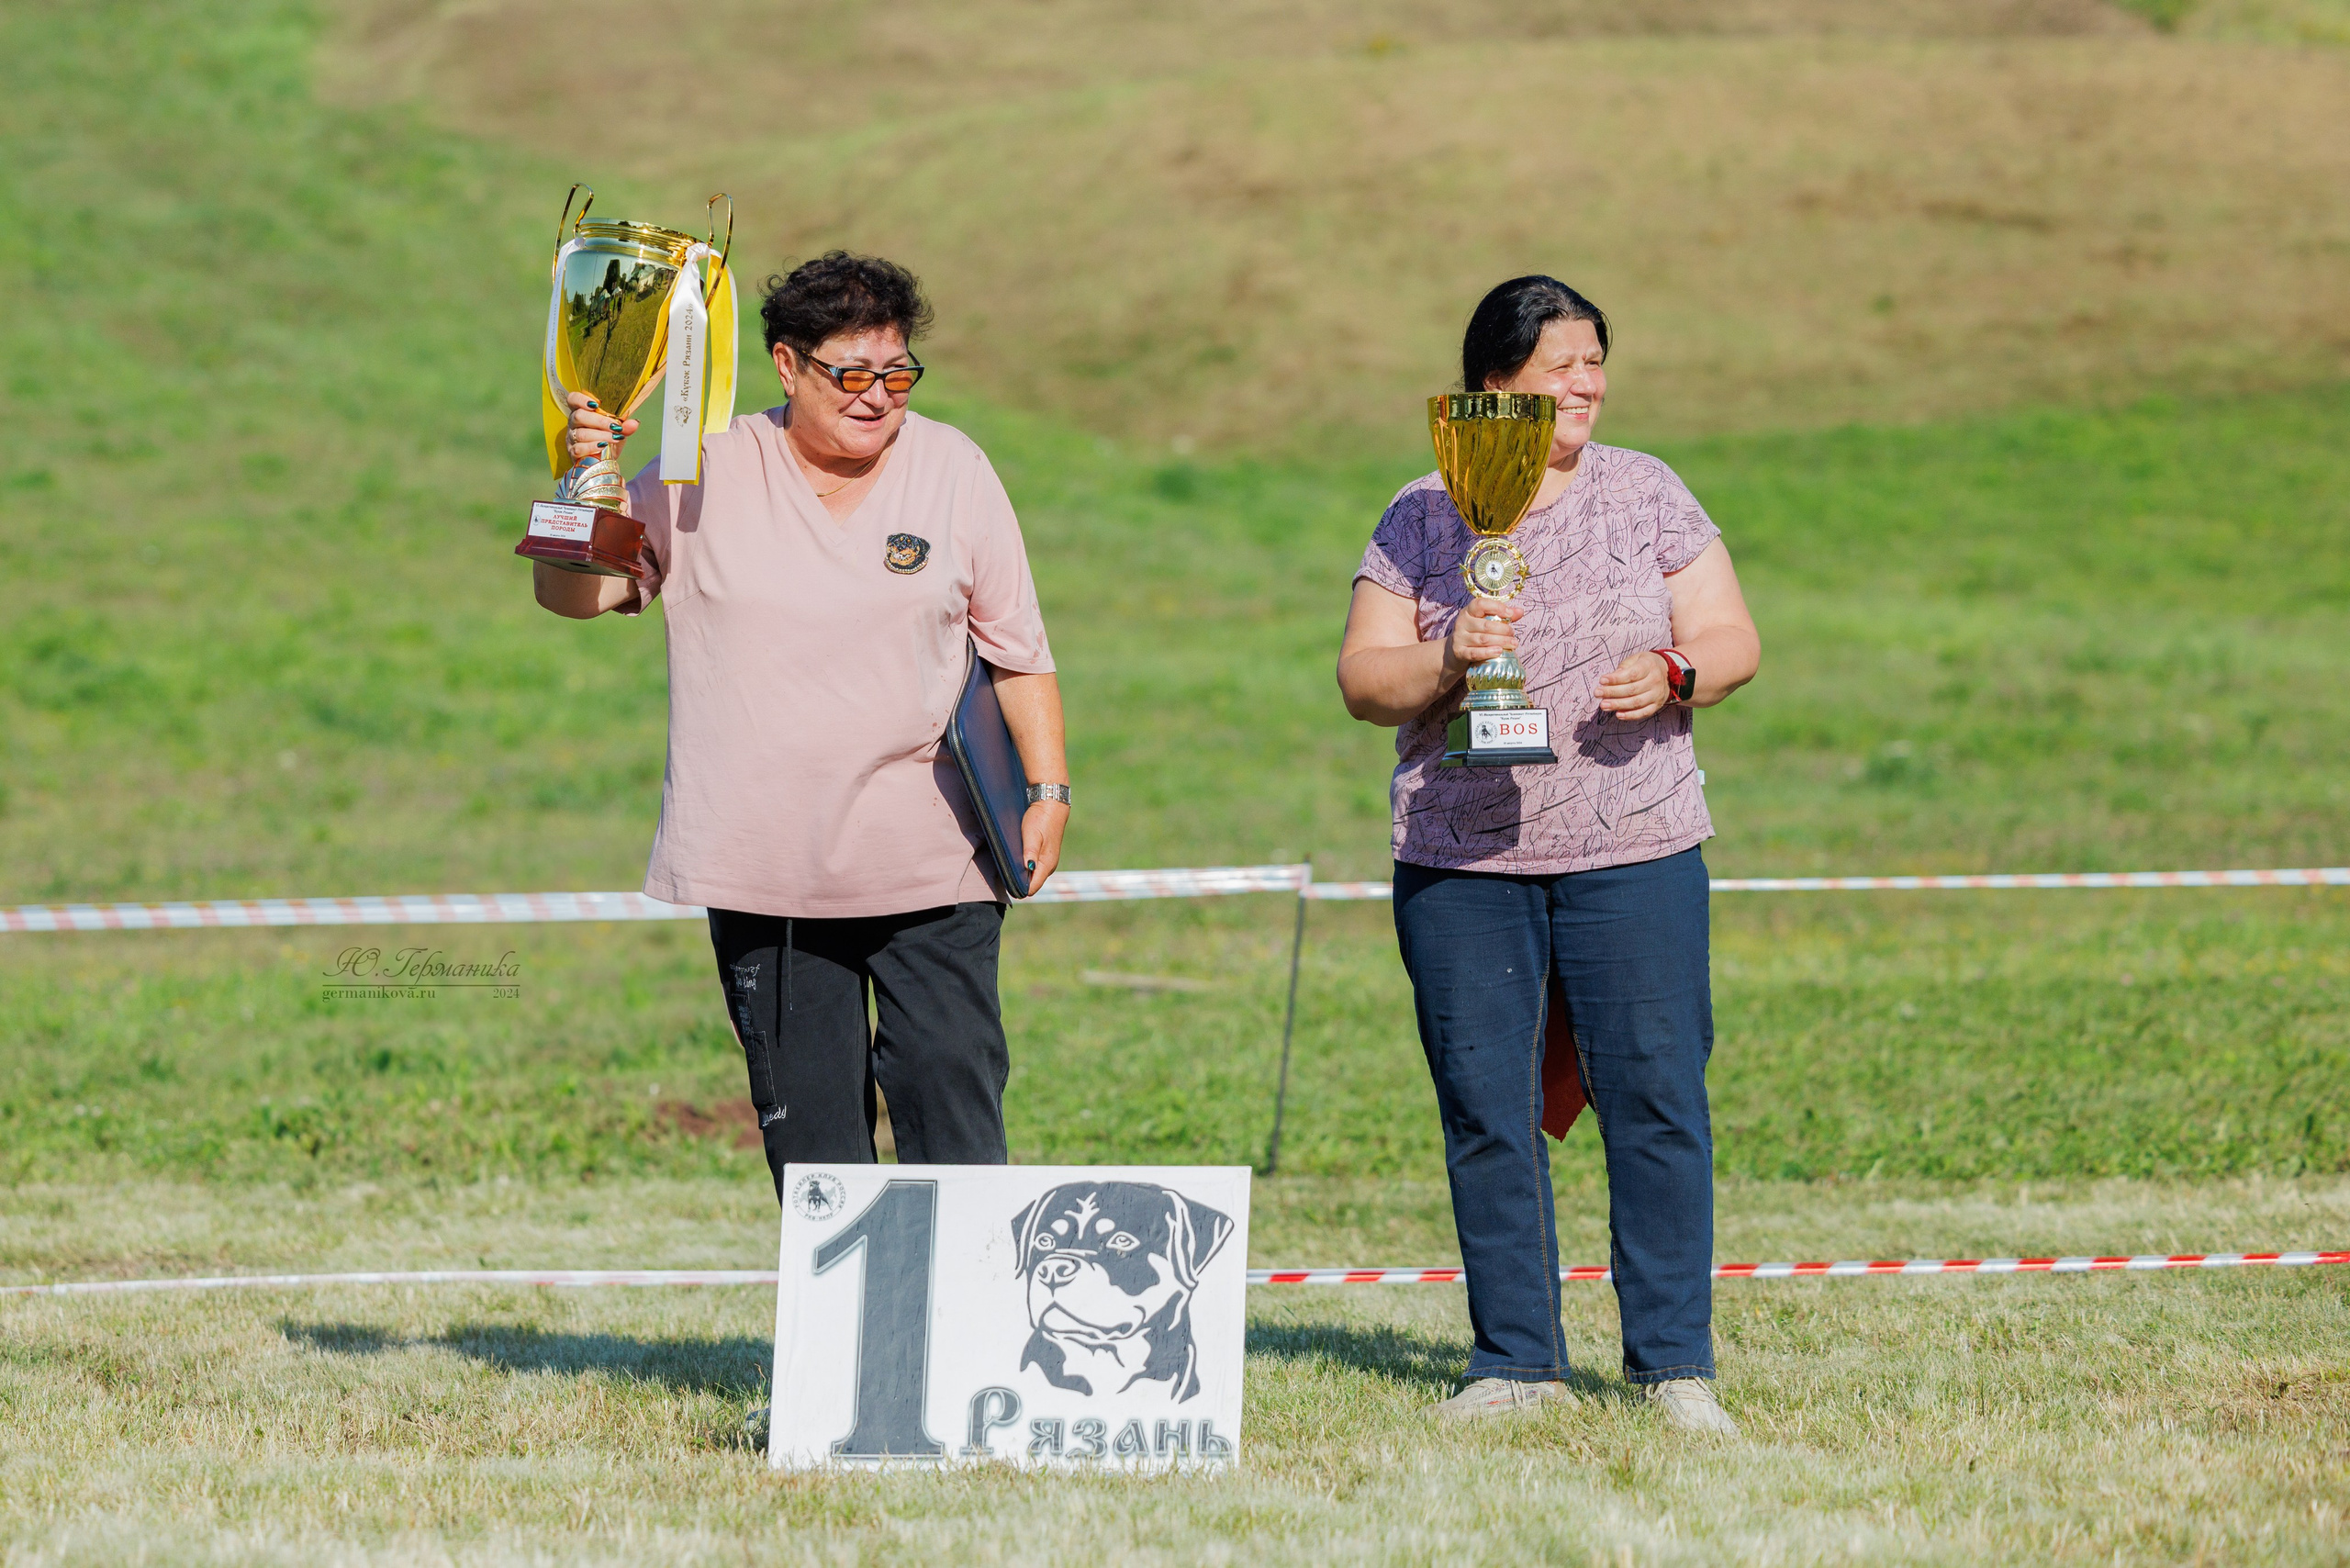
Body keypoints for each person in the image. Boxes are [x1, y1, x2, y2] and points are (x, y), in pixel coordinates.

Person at [532, 251, 1069, 1193]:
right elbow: (577, 601)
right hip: (761, 870)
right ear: (786, 364)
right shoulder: (701, 470)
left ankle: (969, 1330)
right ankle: (856, 1342)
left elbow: (1019, 649)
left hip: (931, 861)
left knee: (951, 1096)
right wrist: (588, 480)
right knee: (816, 1146)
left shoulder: (953, 467)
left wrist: (1050, 789)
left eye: (896, 375)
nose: (877, 396)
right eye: (850, 375)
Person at [1335, 275, 1761, 1433]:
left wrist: (1675, 673)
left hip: (1638, 847)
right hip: (1461, 862)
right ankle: (1515, 1361)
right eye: (1560, 364)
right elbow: (1364, 678)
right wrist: (1450, 661)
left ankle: (1674, 1365)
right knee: (1486, 1106)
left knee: (1657, 1100)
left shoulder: (1648, 489)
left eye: (1594, 360)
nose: (1586, 383)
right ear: (1492, 386)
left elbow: (1732, 637)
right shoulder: (1424, 510)